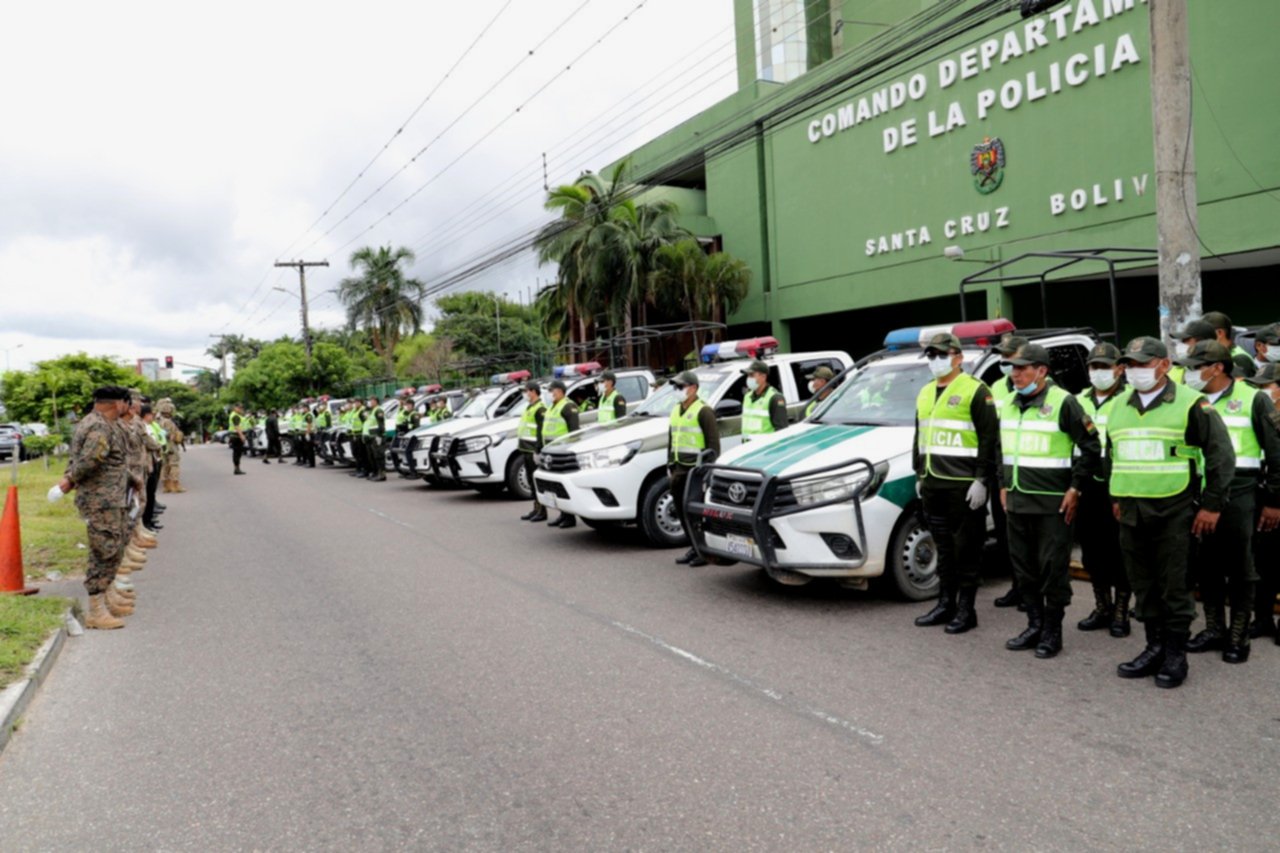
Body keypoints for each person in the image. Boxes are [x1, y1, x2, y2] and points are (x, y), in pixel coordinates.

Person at [1109, 336, 1234, 688]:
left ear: (1164, 365)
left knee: (1174, 586)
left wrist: (1211, 505)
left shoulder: (1192, 404)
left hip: (1174, 509)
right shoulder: (1119, 405)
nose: (1134, 371)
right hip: (1131, 510)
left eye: (1142, 364)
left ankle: (1176, 655)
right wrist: (1116, 498)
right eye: (1130, 365)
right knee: (1143, 584)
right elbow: (1114, 454)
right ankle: (1154, 647)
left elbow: (1221, 457)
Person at [1177, 342, 1280, 663]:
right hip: (1199, 493)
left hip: (1240, 493)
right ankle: (1213, 628)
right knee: (1207, 565)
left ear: (1217, 367)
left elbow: (1277, 454)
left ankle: (1237, 635)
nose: (1190, 373)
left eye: (1196, 366)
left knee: (1240, 567)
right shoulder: (1191, 401)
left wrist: (1275, 501)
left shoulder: (1254, 398)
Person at [998, 344, 1102, 658]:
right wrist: (1003, 484)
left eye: (1022, 368)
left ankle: (1052, 631)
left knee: (1052, 569)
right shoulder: (1010, 404)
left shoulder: (1064, 402)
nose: (1015, 374)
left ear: (1041, 371)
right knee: (1024, 568)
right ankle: (1034, 624)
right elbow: (1001, 448)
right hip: (1017, 501)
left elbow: (1091, 446)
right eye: (1013, 368)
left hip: (1052, 505)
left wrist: (1075, 488)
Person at [912, 332, 1000, 634]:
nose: (935, 360)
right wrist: (919, 473)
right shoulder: (924, 392)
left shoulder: (976, 390)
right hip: (934, 482)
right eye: (931, 355)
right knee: (944, 548)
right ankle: (945, 603)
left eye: (941, 354)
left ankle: (967, 609)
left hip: (963, 486)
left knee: (967, 549)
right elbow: (920, 436)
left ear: (958, 358)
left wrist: (982, 479)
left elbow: (989, 439)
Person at [57, 386, 132, 629]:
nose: (127, 407)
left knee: (114, 547)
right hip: (100, 501)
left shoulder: (106, 423)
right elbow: (89, 460)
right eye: (125, 402)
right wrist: (70, 480)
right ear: (117, 404)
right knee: (104, 550)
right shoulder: (98, 426)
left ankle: (107, 600)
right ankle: (96, 610)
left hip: (112, 498)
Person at [1074, 343, 1132, 637]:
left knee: (1119, 551)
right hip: (1086, 486)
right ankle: (1102, 606)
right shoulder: (1077, 400)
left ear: (1120, 369)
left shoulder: (1130, 400)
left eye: (1105, 367)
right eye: (1094, 367)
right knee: (1092, 551)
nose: (1098, 372)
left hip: (1118, 486)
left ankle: (1122, 611)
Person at [990, 334, 1029, 610]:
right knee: (1007, 536)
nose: (1005, 362)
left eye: (1010, 356)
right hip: (1001, 471)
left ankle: (1032, 591)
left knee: (1030, 539)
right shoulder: (996, 387)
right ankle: (1017, 585)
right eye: (1002, 357)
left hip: (1029, 473)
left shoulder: (1042, 389)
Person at [669, 371, 720, 566]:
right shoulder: (676, 409)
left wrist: (708, 471)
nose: (677, 391)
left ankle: (703, 551)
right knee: (682, 511)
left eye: (680, 387)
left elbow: (713, 445)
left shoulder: (704, 411)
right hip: (678, 468)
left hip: (695, 471)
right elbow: (671, 440)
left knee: (695, 512)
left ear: (693, 388)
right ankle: (694, 547)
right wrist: (669, 464)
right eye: (676, 387)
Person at [1245, 361, 1280, 641]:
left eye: (1265, 387)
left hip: (1276, 500)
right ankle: (1263, 618)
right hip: (1263, 498)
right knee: (1264, 562)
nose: (1259, 392)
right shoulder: (1259, 418)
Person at [543, 380, 580, 528]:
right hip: (552, 452)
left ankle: (570, 518)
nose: (550, 394)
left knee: (563, 486)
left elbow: (574, 431)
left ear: (559, 391)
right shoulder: (553, 406)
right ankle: (563, 514)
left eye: (552, 391)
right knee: (555, 486)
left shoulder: (568, 406)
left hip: (563, 452)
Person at [518, 381, 548, 523]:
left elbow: (541, 431)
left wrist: (538, 449)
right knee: (530, 480)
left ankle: (542, 511)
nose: (525, 394)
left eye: (526, 391)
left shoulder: (540, 409)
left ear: (534, 392)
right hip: (525, 448)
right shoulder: (530, 407)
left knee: (536, 481)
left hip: (532, 449)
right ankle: (536, 508)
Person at [740, 360, 787, 442]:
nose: (748, 378)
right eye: (748, 375)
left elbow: (781, 430)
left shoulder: (775, 398)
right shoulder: (747, 396)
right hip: (747, 448)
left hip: (765, 450)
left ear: (763, 377)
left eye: (752, 375)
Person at [1170, 319, 1215, 385]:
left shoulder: (1222, 370)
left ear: (1202, 343)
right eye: (1181, 341)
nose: (1180, 345)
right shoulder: (1175, 371)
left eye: (1186, 340)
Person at [363, 397, 387, 482]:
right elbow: (366, 419)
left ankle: (382, 474)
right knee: (374, 456)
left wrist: (379, 436)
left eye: (372, 401)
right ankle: (377, 473)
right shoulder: (372, 411)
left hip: (378, 436)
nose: (371, 402)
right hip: (373, 436)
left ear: (376, 401)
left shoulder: (378, 410)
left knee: (379, 456)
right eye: (370, 401)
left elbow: (381, 424)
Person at [229, 403, 248, 475]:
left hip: (235, 436)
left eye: (241, 408)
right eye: (239, 408)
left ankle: (237, 468)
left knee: (237, 453)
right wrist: (242, 436)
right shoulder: (235, 416)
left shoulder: (236, 415)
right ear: (235, 408)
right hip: (236, 437)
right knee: (237, 453)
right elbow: (237, 427)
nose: (240, 409)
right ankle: (237, 469)